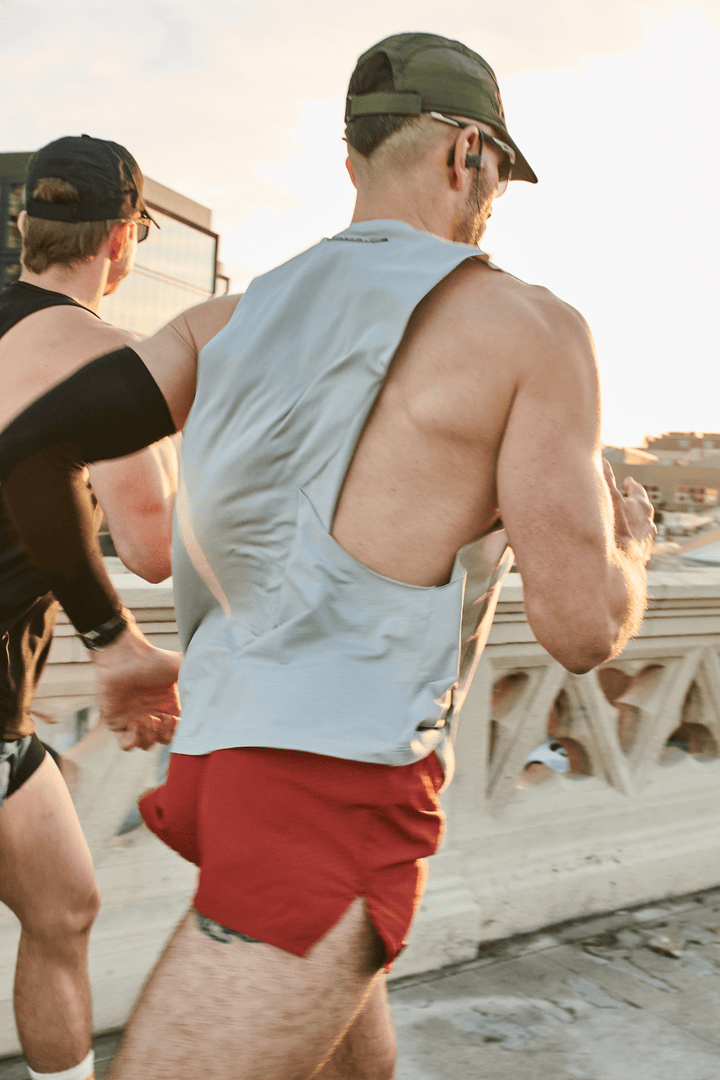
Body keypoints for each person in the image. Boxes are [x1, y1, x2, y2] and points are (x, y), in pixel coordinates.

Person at [0, 34, 655, 1080]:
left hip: (219, 760)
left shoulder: (219, 322)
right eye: (498, 177)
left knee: (360, 1066)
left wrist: (111, 644)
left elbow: (26, 456)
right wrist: (630, 558)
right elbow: (580, 630)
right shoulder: (532, 328)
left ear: (353, 160)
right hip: (331, 793)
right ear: (468, 154)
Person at [0, 135, 180, 1080]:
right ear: (121, 239)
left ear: (27, 224)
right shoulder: (101, 358)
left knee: (64, 906)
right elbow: (152, 551)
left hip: (5, 723)